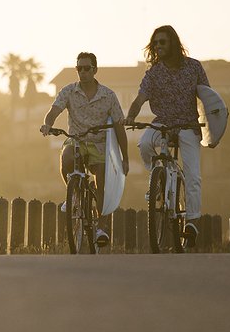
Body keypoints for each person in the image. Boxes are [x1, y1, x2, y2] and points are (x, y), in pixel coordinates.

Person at [124, 25, 210, 247]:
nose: (158, 46)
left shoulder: (194, 67)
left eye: (162, 42)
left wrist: (210, 125)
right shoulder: (153, 74)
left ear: (173, 43)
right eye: (155, 43)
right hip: (162, 123)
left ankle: (191, 221)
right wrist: (130, 116)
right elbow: (139, 99)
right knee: (144, 144)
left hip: (188, 125)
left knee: (193, 175)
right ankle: (158, 182)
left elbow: (207, 97)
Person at [40, 52, 129, 247]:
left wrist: (125, 157)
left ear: (95, 70)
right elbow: (54, 111)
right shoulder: (69, 91)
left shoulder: (108, 95)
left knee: (101, 181)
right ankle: (74, 197)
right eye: (79, 68)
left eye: (87, 68)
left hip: (99, 144)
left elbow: (119, 127)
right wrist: (47, 124)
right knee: (66, 158)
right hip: (76, 140)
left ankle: (101, 228)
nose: (83, 72)